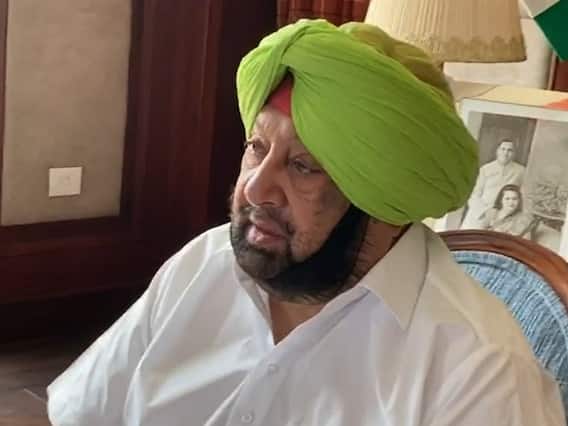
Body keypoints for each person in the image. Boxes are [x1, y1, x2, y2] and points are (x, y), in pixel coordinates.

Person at [46, 20, 565, 425]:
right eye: (257, 147)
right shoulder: (202, 264)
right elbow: (85, 413)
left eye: (302, 166)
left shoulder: (478, 372)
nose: (255, 189)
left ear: (385, 202)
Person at [461, 138, 526, 229]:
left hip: (503, 215)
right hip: (481, 212)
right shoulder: (485, 169)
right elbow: (474, 193)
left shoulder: (520, 171)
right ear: (497, 151)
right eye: (503, 149)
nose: (505, 153)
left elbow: (523, 194)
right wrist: (484, 211)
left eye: (510, 150)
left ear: (514, 154)